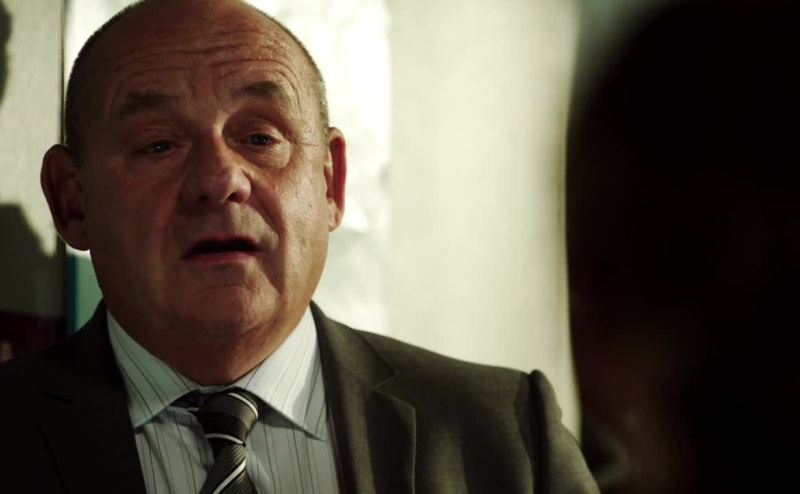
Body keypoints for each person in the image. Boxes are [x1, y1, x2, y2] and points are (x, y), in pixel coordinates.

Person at [0, 1, 598, 492]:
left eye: (261, 138)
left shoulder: (507, 434)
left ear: (331, 183)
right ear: (72, 202)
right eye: (158, 145)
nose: (220, 180)